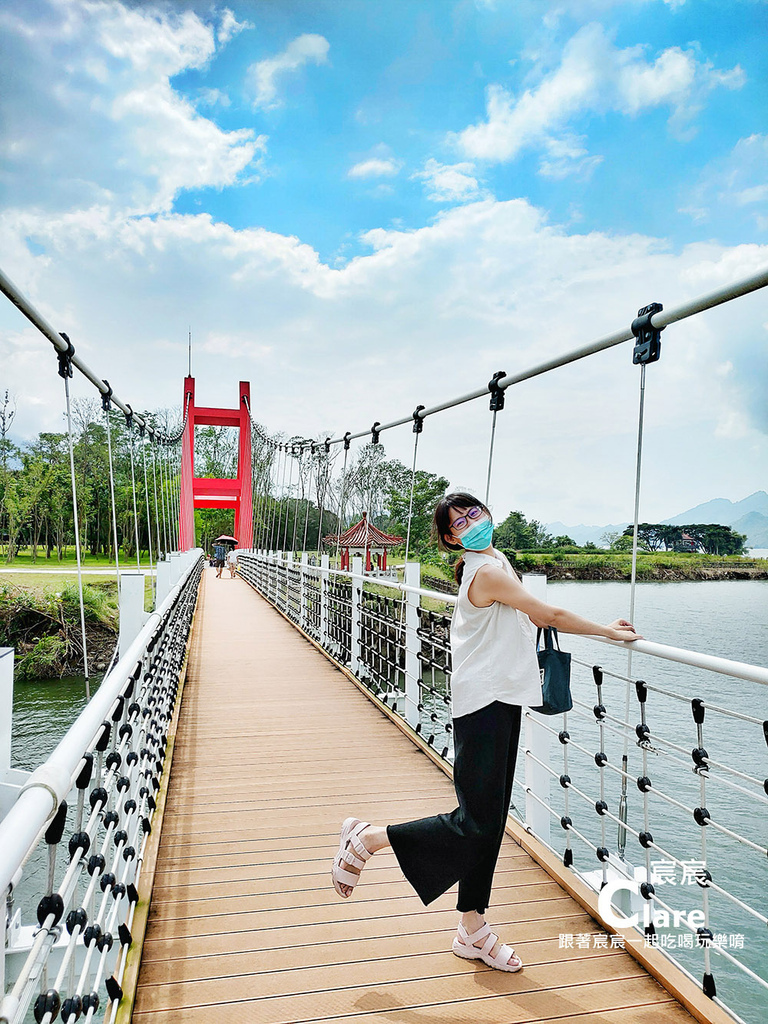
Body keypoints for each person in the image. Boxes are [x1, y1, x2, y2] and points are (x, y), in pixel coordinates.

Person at [331, 492, 641, 973]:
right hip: (482, 705)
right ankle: (368, 839)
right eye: (460, 523)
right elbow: (548, 616)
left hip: (502, 700)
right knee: (476, 822)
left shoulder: (497, 560)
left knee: (489, 821)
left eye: (475, 512)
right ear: (452, 539)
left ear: (488, 514)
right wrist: (608, 632)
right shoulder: (488, 571)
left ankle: (472, 929)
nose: (472, 523)